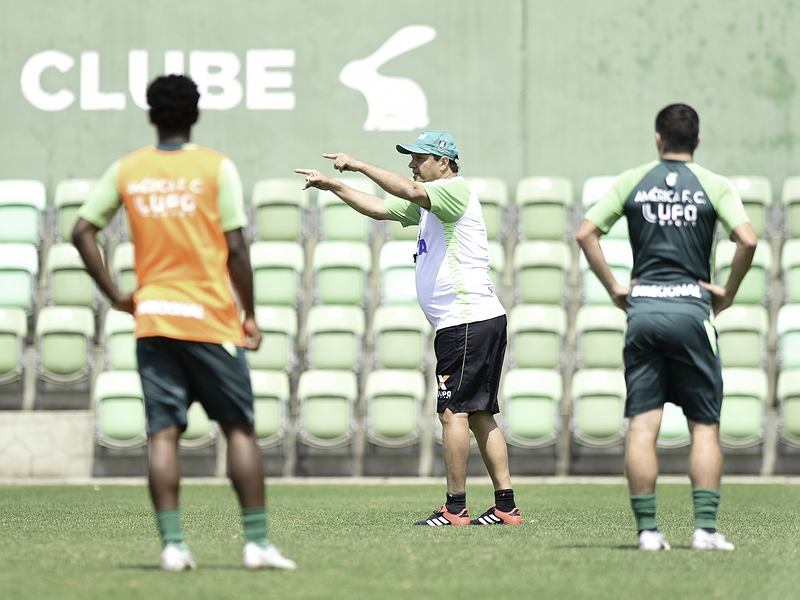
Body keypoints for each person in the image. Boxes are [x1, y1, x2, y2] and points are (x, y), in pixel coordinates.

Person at [72, 74, 296, 571]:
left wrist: (115, 295)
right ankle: (256, 544)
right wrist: (251, 314)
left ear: (152, 115)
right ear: (194, 115)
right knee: (238, 429)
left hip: (154, 320)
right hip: (211, 322)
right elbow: (236, 248)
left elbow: (82, 230)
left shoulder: (128, 169)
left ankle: (173, 547)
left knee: (163, 434)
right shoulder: (215, 168)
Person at [295, 130, 521, 526]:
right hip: (477, 319)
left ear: (444, 163)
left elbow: (410, 190)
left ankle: (455, 508)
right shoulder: (435, 204)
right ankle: (505, 506)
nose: (412, 165)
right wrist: (334, 185)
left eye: (419, 158)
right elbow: (381, 207)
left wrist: (360, 164)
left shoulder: (452, 191)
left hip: (465, 321)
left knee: (453, 413)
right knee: (480, 413)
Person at [576, 104, 757, 551]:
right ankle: (705, 531)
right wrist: (727, 292)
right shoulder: (714, 184)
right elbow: (748, 240)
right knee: (703, 427)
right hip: (693, 313)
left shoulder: (634, 179)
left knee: (642, 427)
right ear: (697, 140)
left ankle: (648, 533)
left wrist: (617, 288)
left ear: (658, 139)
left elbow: (585, 233)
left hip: (643, 312)